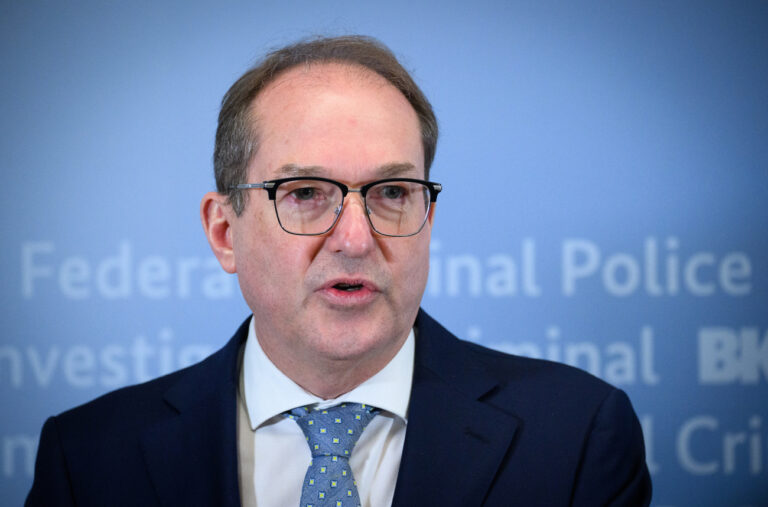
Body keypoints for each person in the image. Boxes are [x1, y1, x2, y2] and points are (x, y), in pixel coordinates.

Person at [26, 35, 652, 506]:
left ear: (428, 218)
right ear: (224, 232)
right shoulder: (88, 459)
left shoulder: (574, 437)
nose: (355, 239)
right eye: (305, 193)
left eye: (392, 192)